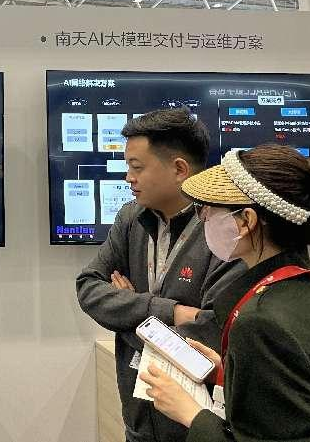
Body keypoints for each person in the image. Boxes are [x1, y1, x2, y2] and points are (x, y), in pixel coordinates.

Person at [140, 144, 310, 441]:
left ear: (246, 221)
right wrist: (230, 373)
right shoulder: (304, 285)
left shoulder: (260, 323)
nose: (203, 218)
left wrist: (192, 414)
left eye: (209, 209)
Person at [76, 108, 243, 442]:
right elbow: (88, 287)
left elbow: (211, 332)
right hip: (138, 420)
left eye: (137, 167)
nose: (128, 177)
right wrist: (170, 312)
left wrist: (128, 309)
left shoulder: (223, 228)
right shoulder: (131, 218)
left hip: (198, 426)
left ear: (179, 169)